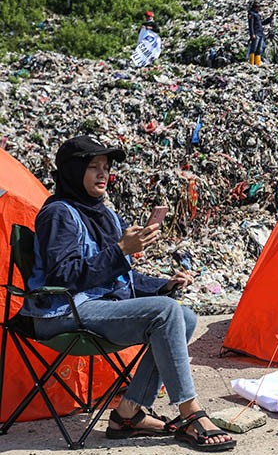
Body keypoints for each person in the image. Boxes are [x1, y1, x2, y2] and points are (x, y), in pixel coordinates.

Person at [20, 135, 236, 451]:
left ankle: (128, 412)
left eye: (106, 167)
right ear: (72, 171)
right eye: (93, 167)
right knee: (165, 312)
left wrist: (163, 285)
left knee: (184, 316)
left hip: (97, 306)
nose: (103, 174)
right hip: (63, 311)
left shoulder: (104, 214)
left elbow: (122, 275)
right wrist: (121, 249)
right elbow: (63, 276)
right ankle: (190, 412)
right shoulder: (59, 214)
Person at [248, 1, 274, 66]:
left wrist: (269, 19)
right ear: (256, 7)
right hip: (256, 33)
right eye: (259, 7)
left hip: (260, 33)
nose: (260, 8)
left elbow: (261, 23)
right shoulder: (251, 14)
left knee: (259, 49)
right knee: (254, 48)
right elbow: (250, 25)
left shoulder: (257, 14)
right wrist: (252, 34)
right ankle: (251, 63)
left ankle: (258, 63)